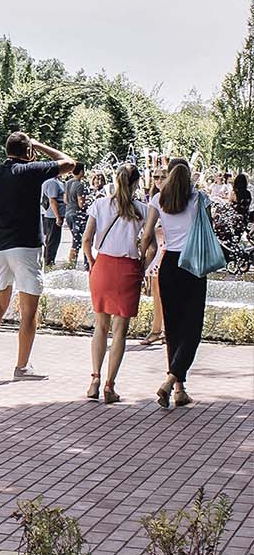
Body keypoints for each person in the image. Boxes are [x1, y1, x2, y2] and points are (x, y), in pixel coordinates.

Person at [0, 132, 75, 380]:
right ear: (28, 153)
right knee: (29, 311)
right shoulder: (32, 171)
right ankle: (22, 366)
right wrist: (39, 144)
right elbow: (69, 162)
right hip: (26, 247)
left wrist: (27, 150)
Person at [82, 163, 153, 405]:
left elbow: (86, 240)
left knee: (100, 326)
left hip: (102, 267)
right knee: (120, 331)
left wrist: (93, 264)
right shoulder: (142, 209)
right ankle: (110, 386)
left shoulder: (100, 204)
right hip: (127, 269)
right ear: (136, 184)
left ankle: (94, 380)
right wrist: (142, 265)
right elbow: (150, 245)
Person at [142, 158, 209, 408]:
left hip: (168, 263)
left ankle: (180, 389)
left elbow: (148, 234)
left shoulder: (158, 199)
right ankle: (171, 381)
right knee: (192, 329)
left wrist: (141, 263)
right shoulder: (199, 199)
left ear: (169, 176)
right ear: (189, 175)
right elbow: (208, 230)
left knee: (172, 329)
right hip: (193, 264)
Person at [40, 164, 67, 267]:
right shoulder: (51, 182)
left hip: (55, 213)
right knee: (52, 240)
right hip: (53, 215)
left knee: (53, 239)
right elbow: (52, 200)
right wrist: (57, 217)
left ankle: (49, 260)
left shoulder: (56, 181)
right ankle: (49, 262)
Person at [62, 163, 88, 269]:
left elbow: (64, 200)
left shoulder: (67, 183)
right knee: (82, 239)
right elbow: (81, 203)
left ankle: (72, 264)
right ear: (81, 171)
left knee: (75, 239)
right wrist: (89, 203)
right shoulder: (79, 185)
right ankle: (85, 264)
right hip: (77, 215)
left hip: (68, 213)